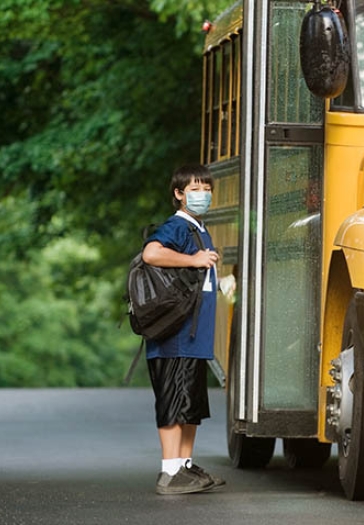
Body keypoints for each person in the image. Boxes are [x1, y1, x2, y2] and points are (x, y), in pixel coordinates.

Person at [141, 163, 225, 495]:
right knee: (173, 402)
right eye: (195, 189)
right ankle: (169, 471)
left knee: (189, 404)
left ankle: (184, 466)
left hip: (194, 337)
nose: (202, 195)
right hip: (176, 337)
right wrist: (193, 261)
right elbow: (151, 253)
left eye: (206, 189)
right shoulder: (177, 226)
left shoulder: (198, 228)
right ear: (179, 194)